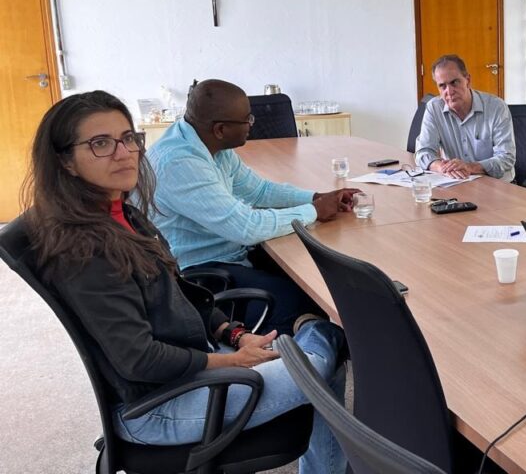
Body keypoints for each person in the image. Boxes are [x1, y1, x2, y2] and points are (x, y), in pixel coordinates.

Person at [21, 90, 347, 473]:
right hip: (163, 405)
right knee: (327, 347)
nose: (124, 153)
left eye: (128, 138)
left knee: (316, 341)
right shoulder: (86, 250)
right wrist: (228, 360)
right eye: (100, 143)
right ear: (66, 162)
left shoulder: (121, 215)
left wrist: (234, 334)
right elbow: (139, 359)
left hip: (191, 366)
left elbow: (179, 294)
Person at [147, 79, 358, 335]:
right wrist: (314, 211)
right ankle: (304, 357)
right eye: (247, 120)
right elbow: (245, 227)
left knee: (319, 276)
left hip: (230, 253)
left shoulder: (210, 144)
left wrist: (316, 197)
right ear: (221, 129)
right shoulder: (179, 162)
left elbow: (260, 191)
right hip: (200, 275)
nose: (251, 125)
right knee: (302, 298)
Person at [415, 54, 516, 181]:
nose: (449, 91)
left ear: (468, 80)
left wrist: (470, 167)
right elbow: (423, 152)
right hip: (457, 182)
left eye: (454, 82)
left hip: (497, 186)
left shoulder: (496, 107)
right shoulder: (434, 108)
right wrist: (442, 167)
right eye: (442, 86)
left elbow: (506, 158)